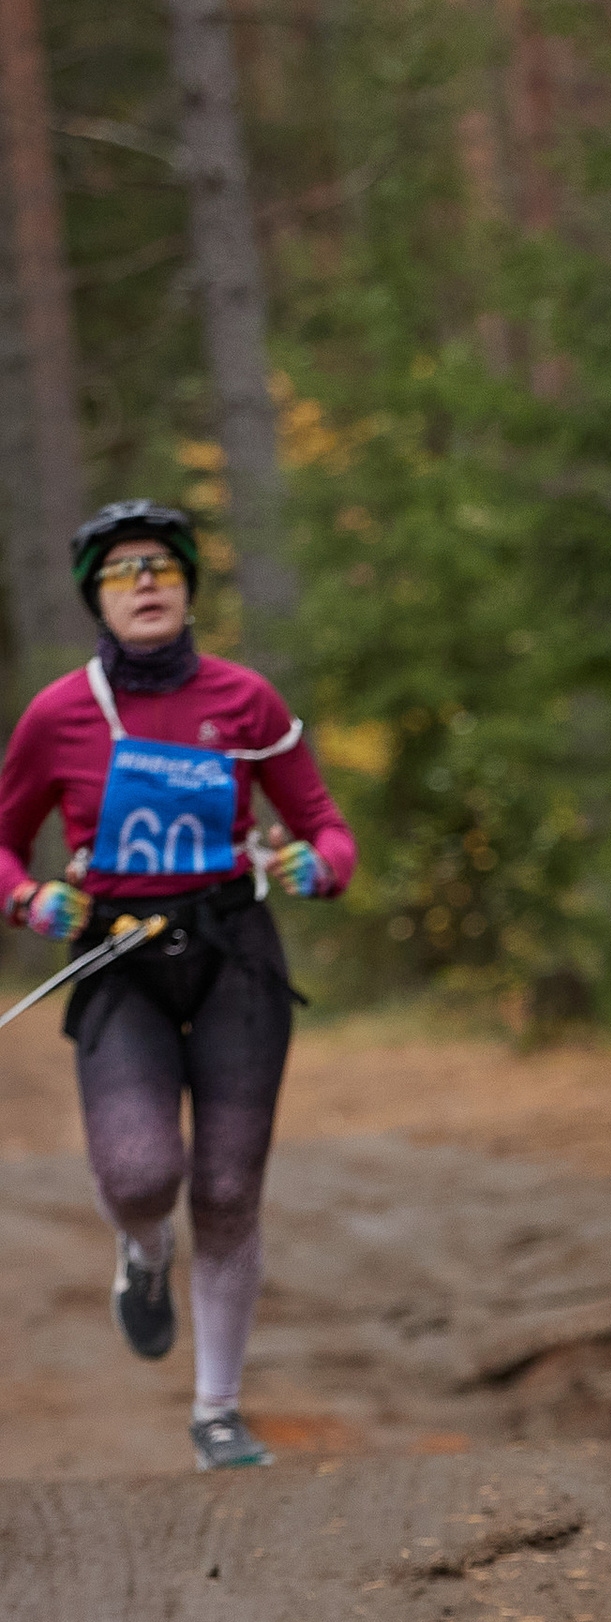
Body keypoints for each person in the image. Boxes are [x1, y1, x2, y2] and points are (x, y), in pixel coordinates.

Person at [0, 500, 354, 1470]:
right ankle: (144, 1253)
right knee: (141, 1175)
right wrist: (30, 898)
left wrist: (316, 867)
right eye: (122, 572)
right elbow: (1, 843)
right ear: (96, 601)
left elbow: (327, 828)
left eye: (162, 566)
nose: (146, 582)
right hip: (119, 961)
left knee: (231, 1188)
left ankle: (216, 1411)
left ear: (190, 587)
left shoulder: (247, 700)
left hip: (235, 951)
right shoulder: (57, 715)